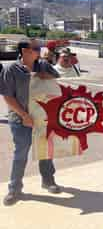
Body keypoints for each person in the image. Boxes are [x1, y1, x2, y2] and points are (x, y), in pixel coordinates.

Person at [0, 39, 61, 206]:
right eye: (36, 48)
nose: (39, 50)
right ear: (25, 51)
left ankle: (48, 181)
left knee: (45, 151)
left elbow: (58, 82)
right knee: (21, 153)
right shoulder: (11, 69)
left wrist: (45, 76)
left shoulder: (43, 65)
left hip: (43, 118)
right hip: (20, 120)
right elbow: (7, 95)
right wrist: (24, 115)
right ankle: (15, 189)